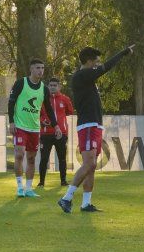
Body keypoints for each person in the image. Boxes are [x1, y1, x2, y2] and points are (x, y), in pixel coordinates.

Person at [58, 44, 134, 214]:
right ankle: (66, 198)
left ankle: (86, 204)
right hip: (88, 125)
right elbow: (105, 68)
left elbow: (101, 69)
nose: (97, 65)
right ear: (88, 61)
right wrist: (123, 52)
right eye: (95, 62)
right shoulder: (81, 75)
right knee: (89, 163)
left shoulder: (87, 77)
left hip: (95, 125)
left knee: (92, 166)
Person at [7, 59, 59, 198]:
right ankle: (19, 187)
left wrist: (56, 126)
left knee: (31, 159)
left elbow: (48, 109)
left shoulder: (44, 88)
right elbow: (11, 103)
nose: (40, 70)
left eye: (42, 68)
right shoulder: (20, 83)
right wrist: (11, 122)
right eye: (37, 68)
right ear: (31, 69)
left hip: (35, 129)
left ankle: (29, 189)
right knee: (19, 154)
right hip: (20, 126)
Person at [38, 77, 72, 188]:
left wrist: (60, 124)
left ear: (59, 87)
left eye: (55, 85)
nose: (52, 87)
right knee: (44, 158)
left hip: (61, 134)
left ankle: (63, 181)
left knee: (62, 158)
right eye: (50, 85)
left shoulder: (65, 99)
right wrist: (42, 121)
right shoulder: (42, 99)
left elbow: (69, 112)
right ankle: (41, 182)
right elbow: (37, 114)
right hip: (45, 133)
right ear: (48, 87)